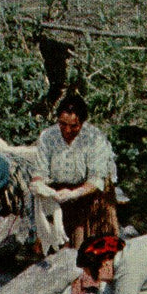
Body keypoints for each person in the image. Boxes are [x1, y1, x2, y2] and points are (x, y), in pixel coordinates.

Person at [30, 93, 119, 254]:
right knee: (53, 239)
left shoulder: (94, 138)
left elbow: (96, 179)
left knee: (89, 249)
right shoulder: (48, 136)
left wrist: (74, 193)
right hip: (59, 189)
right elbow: (40, 171)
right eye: (62, 124)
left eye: (74, 126)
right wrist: (38, 185)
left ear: (82, 122)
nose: (67, 130)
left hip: (89, 192)